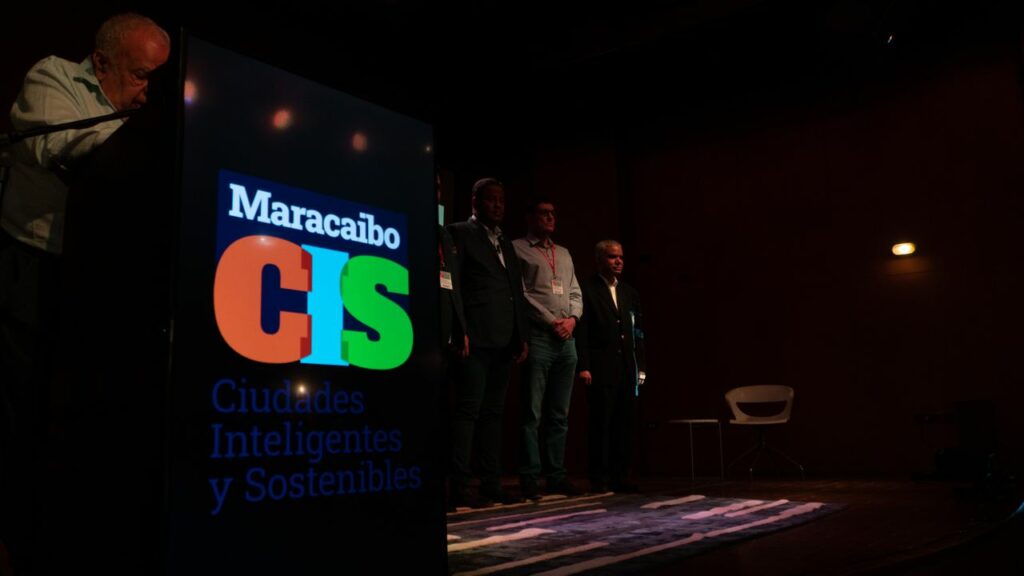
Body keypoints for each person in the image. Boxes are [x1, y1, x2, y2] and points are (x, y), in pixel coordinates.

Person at [0, 13, 170, 574]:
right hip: (32, 266)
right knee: (23, 411)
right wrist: (146, 140)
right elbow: (61, 146)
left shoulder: (139, 113)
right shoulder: (54, 77)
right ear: (101, 63)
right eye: (141, 76)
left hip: (102, 285)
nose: (148, 93)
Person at [447, 178, 530, 507]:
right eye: (491, 199)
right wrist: (459, 329)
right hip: (475, 338)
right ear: (475, 202)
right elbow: (453, 285)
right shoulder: (459, 232)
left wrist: (521, 335)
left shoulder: (505, 242)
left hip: (505, 340)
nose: (497, 205)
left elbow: (515, 292)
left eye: (501, 200)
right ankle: (459, 486)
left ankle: (491, 484)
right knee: (468, 411)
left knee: (493, 414)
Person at [512, 199, 583, 499]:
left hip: (567, 340)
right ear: (529, 217)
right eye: (544, 213)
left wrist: (572, 320)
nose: (550, 217)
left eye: (553, 213)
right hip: (540, 337)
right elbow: (521, 294)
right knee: (532, 413)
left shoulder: (563, 253)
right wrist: (551, 321)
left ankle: (556, 476)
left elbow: (575, 292)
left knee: (559, 414)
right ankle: (530, 476)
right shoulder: (517, 248)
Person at [575, 239, 647, 493]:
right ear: (599, 260)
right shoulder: (587, 289)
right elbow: (583, 332)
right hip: (601, 367)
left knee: (623, 424)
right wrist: (584, 366)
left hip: (626, 368)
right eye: (612, 257)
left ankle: (620, 475)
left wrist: (640, 366)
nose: (618, 261)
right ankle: (599, 477)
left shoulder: (629, 292)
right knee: (601, 423)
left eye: (621, 257)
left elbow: (638, 332)